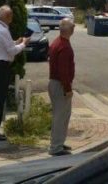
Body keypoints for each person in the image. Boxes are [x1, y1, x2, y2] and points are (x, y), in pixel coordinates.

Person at [0, 5, 26, 142]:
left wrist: (15, 42)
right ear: (7, 16)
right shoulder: (3, 30)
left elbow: (4, 45)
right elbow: (12, 51)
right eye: (11, 15)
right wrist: (24, 44)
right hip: (0, 66)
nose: (12, 18)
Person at [48, 18, 75, 156]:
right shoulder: (64, 47)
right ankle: (56, 147)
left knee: (62, 115)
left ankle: (59, 142)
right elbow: (63, 71)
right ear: (69, 30)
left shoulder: (57, 42)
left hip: (55, 83)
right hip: (60, 85)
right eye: (73, 26)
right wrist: (68, 89)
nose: (74, 28)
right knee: (60, 116)